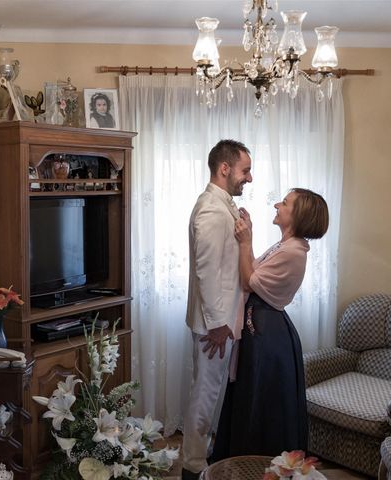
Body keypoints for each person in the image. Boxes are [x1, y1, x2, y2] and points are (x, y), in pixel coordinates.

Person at [211, 188, 329, 460]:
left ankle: (257, 464)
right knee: (251, 397)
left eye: (285, 203)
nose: (277, 204)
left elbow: (247, 280)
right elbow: (252, 272)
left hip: (267, 336)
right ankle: (241, 460)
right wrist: (247, 241)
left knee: (262, 402)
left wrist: (244, 242)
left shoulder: (294, 252)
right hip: (262, 328)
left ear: (298, 215)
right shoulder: (285, 246)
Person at [182, 140, 253, 480]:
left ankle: (200, 456)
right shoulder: (211, 209)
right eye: (245, 170)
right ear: (224, 169)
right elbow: (206, 271)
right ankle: (193, 465)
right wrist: (217, 324)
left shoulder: (223, 206)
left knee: (210, 392)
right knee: (206, 394)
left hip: (221, 321)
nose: (249, 178)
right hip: (216, 326)